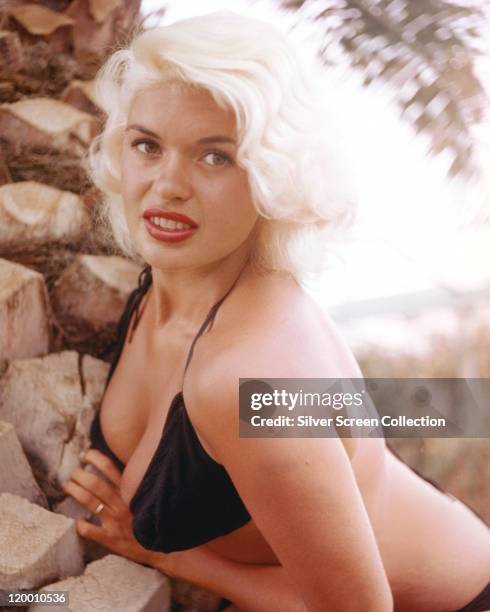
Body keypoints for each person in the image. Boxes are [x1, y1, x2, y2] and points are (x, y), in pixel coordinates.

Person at [62, 12, 490, 612]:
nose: (167, 185)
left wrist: (168, 554)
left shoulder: (252, 380)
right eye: (147, 145)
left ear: (270, 175)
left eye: (215, 157)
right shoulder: (174, 283)